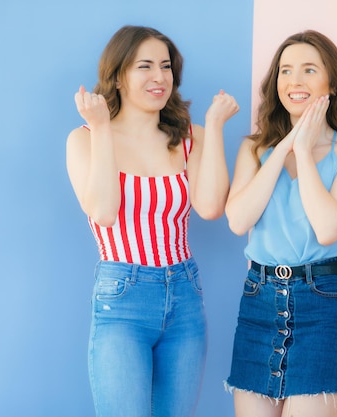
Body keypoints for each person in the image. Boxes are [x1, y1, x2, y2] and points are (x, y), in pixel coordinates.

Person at [66, 25, 239, 417]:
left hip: (184, 296)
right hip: (122, 298)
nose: (159, 77)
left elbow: (211, 207)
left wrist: (213, 128)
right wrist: (102, 127)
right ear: (118, 75)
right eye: (145, 66)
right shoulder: (84, 138)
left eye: (166, 66)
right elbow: (104, 211)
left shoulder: (189, 138)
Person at [224, 30, 337, 417]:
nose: (295, 81)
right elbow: (238, 219)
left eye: (309, 70)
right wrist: (284, 147)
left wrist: (305, 152)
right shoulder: (255, 150)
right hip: (259, 301)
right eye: (286, 71)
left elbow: (327, 228)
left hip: (324, 304)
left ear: (332, 83)